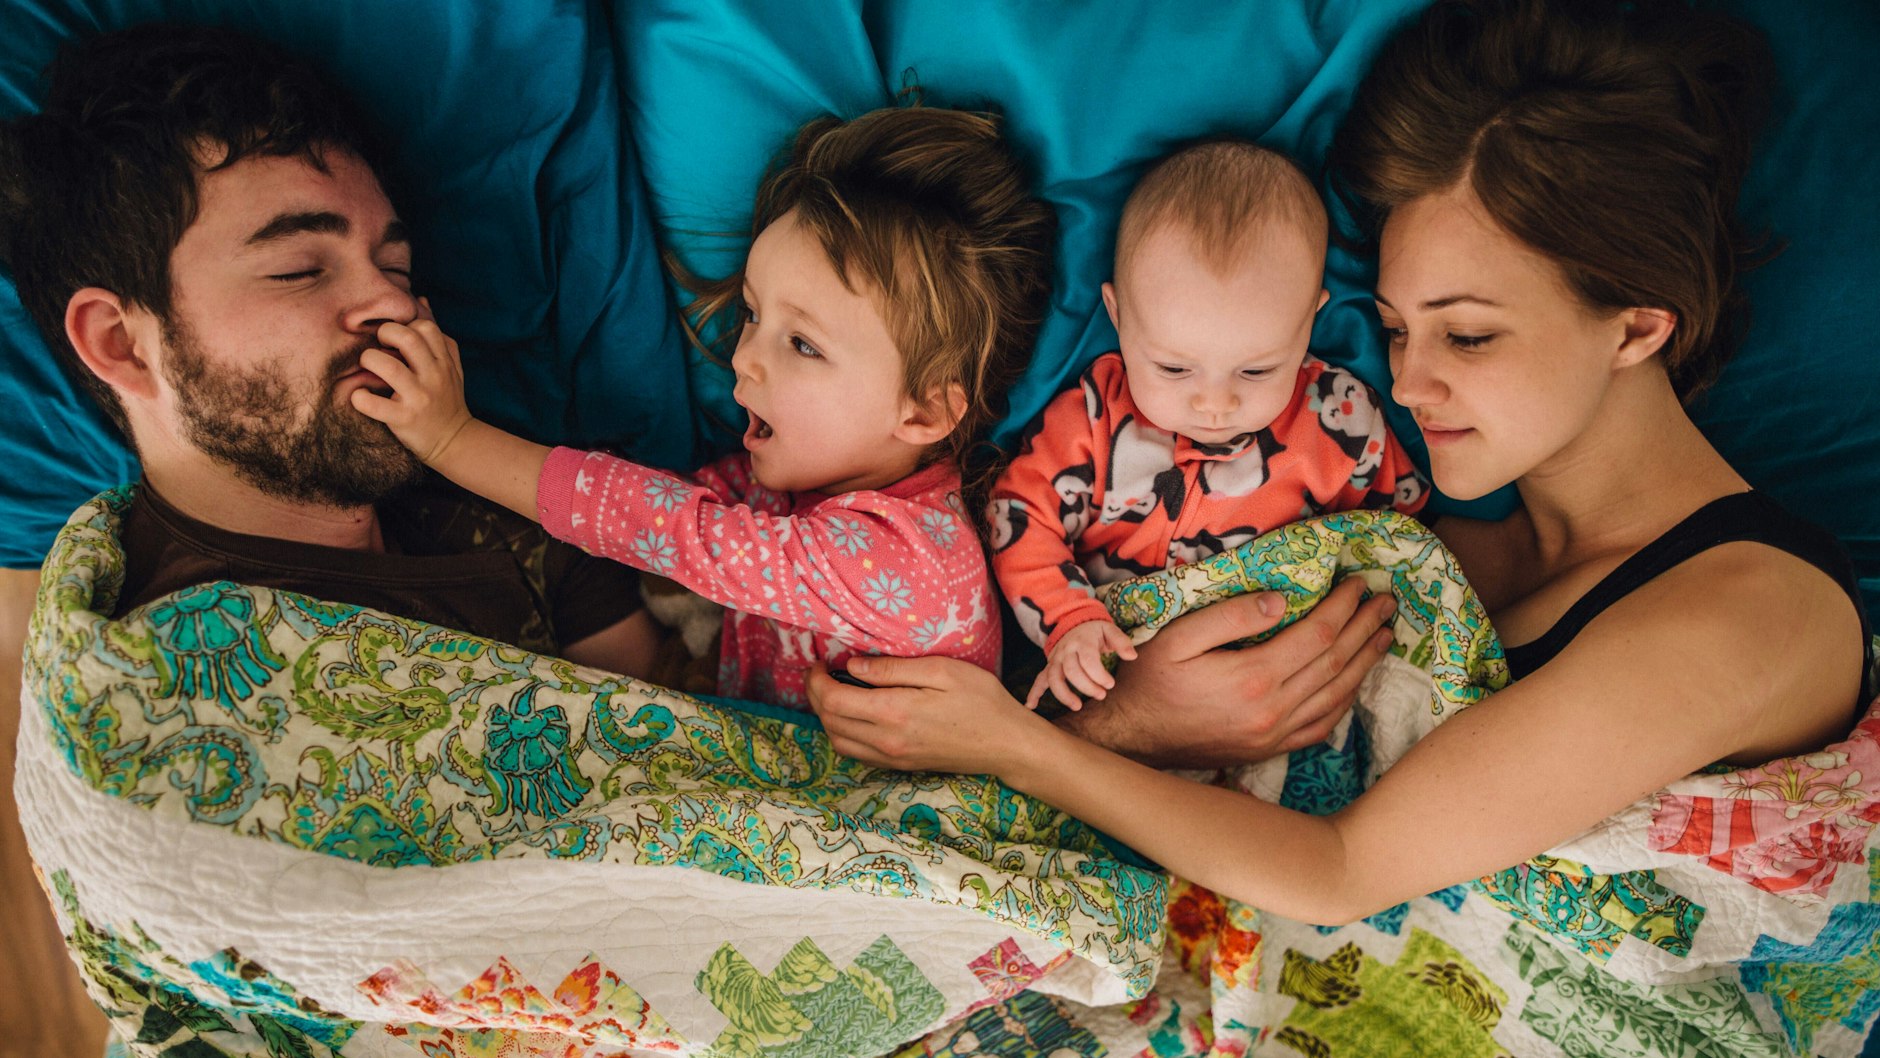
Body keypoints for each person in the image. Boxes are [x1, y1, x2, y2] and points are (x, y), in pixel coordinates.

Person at [811, 0, 1872, 939]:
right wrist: (1134, 720)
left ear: (1635, 327)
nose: (1407, 384)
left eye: (1467, 338)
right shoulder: (1413, 529)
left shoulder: (1756, 607)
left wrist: (1021, 745)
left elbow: (1340, 871)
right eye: (1397, 329)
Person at [0, 24, 657, 671]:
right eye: (300, 269)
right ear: (121, 344)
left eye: (397, 267)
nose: (398, 304)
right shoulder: (140, 671)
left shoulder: (521, 513)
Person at [353, 107, 1057, 710]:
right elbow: (710, 500)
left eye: (803, 345)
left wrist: (452, 440)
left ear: (925, 413)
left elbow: (675, 528)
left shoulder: (906, 560)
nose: (744, 356)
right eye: (751, 313)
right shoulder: (811, 480)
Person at [989, 139, 1426, 710]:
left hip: (1290, 677)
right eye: (1173, 368)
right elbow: (1019, 516)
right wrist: (1070, 619)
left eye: (1256, 368)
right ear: (1119, 319)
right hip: (1114, 674)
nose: (1215, 404)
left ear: (1308, 324)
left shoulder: (1340, 420)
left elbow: (1406, 533)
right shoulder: (1092, 421)